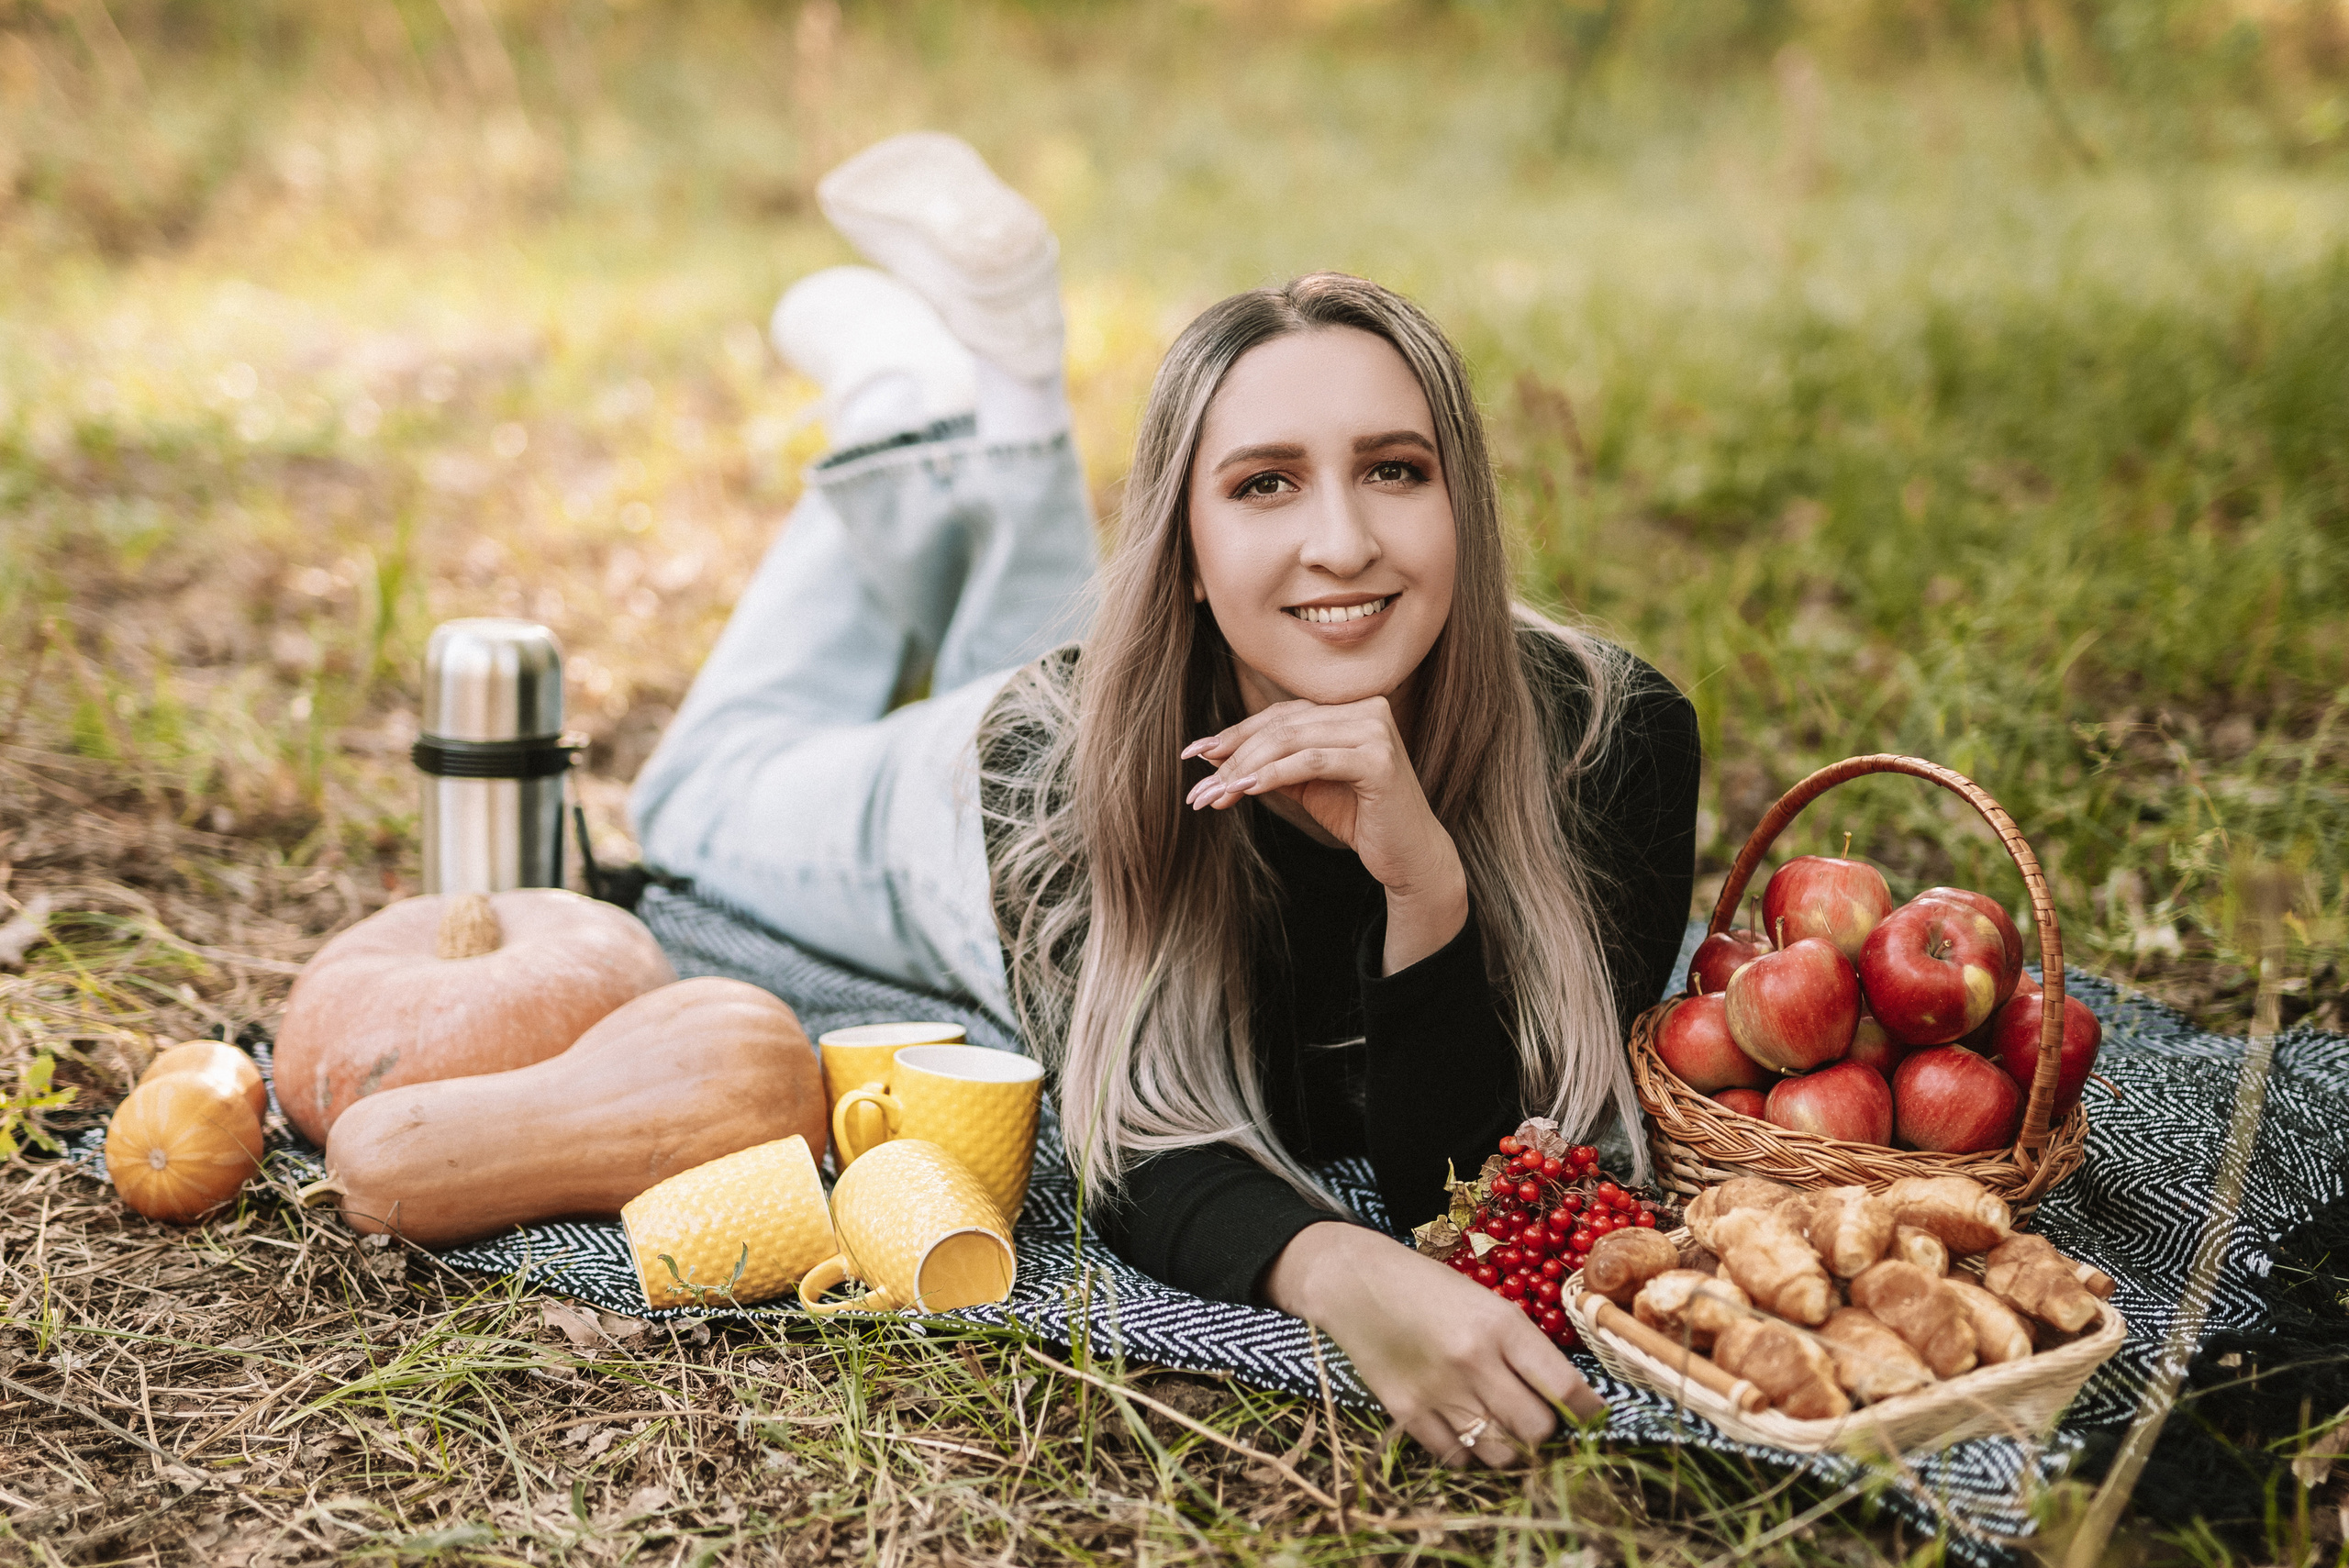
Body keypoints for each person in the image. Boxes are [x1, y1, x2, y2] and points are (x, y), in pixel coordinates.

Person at [632, 133, 1701, 1469]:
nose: (1343, 542)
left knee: (1040, 644)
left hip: (1144, 667)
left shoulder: (1609, 740)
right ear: (1184, 551)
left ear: (1463, 506)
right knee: (693, 796)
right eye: (1264, 484)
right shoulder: (1048, 756)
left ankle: (995, 391)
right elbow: (1134, 1142)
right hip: (971, 819)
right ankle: (898, 408)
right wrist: (1339, 1271)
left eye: (1395, 469)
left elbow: (1472, 1178)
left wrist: (1425, 884)